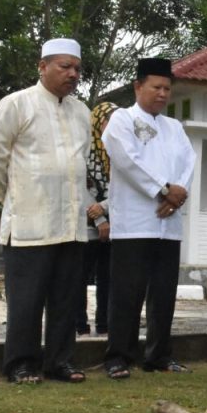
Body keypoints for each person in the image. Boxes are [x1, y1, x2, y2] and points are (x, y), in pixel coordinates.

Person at [0, 37, 91, 384]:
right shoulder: (15, 105)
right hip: (29, 223)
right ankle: (20, 364)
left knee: (65, 300)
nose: (72, 74)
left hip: (71, 224)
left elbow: (79, 164)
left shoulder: (82, 112)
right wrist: (15, 198)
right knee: (25, 302)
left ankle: (60, 361)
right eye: (64, 66)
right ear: (42, 67)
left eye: (76, 68)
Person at [100, 57, 196, 379]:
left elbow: (188, 162)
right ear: (138, 86)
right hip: (134, 223)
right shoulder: (121, 120)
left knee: (164, 294)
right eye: (156, 87)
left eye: (167, 88)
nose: (162, 93)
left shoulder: (175, 127)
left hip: (168, 224)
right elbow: (128, 162)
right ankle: (118, 356)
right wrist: (163, 190)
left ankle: (158, 355)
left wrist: (178, 194)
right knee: (127, 293)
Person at [75, 101, 115, 337]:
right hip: (88, 226)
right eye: (109, 119)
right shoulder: (85, 152)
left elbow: (124, 190)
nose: (113, 125)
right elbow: (81, 190)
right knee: (80, 277)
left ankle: (104, 325)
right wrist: (100, 220)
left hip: (115, 225)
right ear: (98, 122)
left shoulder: (118, 151)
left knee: (108, 279)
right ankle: (79, 324)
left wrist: (108, 211)